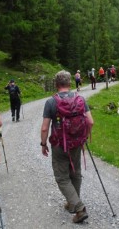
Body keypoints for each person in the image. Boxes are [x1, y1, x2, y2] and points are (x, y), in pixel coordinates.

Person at [40, 70, 94, 224]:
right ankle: (73, 202)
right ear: (70, 83)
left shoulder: (51, 102)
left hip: (59, 144)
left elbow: (44, 128)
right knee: (75, 172)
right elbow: (90, 122)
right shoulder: (80, 99)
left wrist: (43, 144)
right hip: (76, 142)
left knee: (62, 177)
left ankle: (78, 207)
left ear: (56, 84)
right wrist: (84, 138)